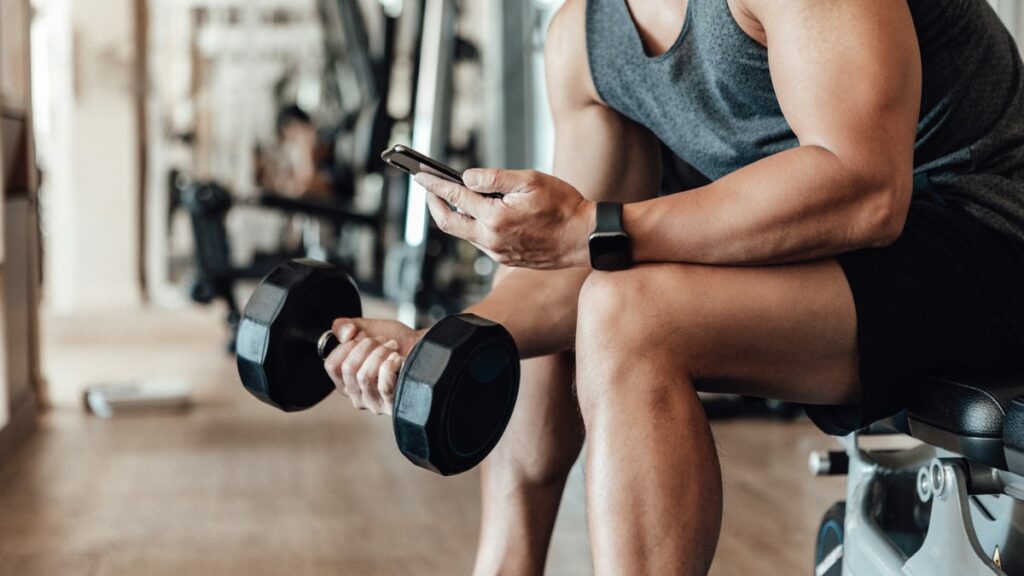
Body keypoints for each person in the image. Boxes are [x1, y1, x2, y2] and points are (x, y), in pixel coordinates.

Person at [321, 0, 1024, 573]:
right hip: (851, 261)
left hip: (987, 241)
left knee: (627, 308)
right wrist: (438, 339)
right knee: (593, 282)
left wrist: (591, 231)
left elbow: (866, 191)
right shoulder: (584, 38)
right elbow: (570, 257)